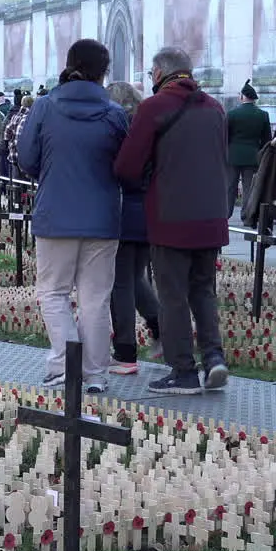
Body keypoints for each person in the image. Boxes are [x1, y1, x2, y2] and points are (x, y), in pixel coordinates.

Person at [114, 46, 229, 395]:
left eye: (151, 74)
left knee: (173, 296)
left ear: (161, 72)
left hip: (170, 217)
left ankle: (183, 372)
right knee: (203, 291)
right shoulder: (215, 108)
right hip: (211, 217)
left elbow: (127, 166)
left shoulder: (154, 107)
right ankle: (214, 358)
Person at [17, 38, 128, 393]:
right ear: (103, 72)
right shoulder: (114, 114)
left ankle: (64, 367)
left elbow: (26, 157)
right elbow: (125, 165)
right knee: (96, 299)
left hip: (55, 215)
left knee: (53, 293)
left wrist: (52, 176)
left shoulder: (45, 107)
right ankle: (95, 375)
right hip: (102, 218)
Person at [105, 81, 161, 375]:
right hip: (151, 210)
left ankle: (125, 351)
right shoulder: (151, 124)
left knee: (121, 282)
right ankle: (158, 323)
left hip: (124, 209)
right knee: (136, 276)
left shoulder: (116, 127)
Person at [226, 80, 271, 224]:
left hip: (232, 155)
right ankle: (247, 216)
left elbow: (224, 136)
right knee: (249, 188)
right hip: (253, 156)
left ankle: (226, 214)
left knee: (230, 187)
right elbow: (267, 139)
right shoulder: (262, 115)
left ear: (243, 96)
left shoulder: (232, 114)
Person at [2, 93, 33, 179]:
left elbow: (7, 132)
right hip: (23, 155)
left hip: (13, 153)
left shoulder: (15, 116)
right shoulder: (28, 117)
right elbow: (20, 138)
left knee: (16, 180)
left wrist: (9, 143)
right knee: (26, 181)